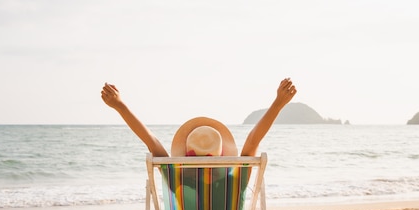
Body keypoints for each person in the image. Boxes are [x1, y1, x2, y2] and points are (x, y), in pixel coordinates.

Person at [101, 78, 297, 157]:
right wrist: (278, 103)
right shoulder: (235, 178)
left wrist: (120, 106)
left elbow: (151, 141)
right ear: (220, 152)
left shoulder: (176, 177)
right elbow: (254, 140)